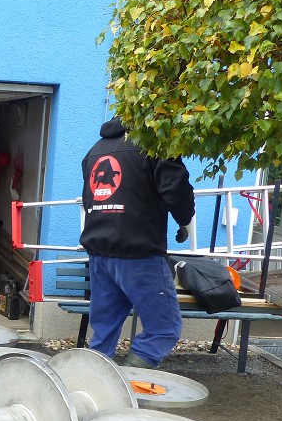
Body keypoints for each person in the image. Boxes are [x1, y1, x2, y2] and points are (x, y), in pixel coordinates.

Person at [79, 115, 195, 369]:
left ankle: (92, 386)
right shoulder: (153, 143)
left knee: (103, 335)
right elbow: (175, 188)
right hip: (138, 255)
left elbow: (90, 199)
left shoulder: (95, 151)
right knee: (164, 329)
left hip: (100, 255)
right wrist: (185, 221)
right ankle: (129, 384)